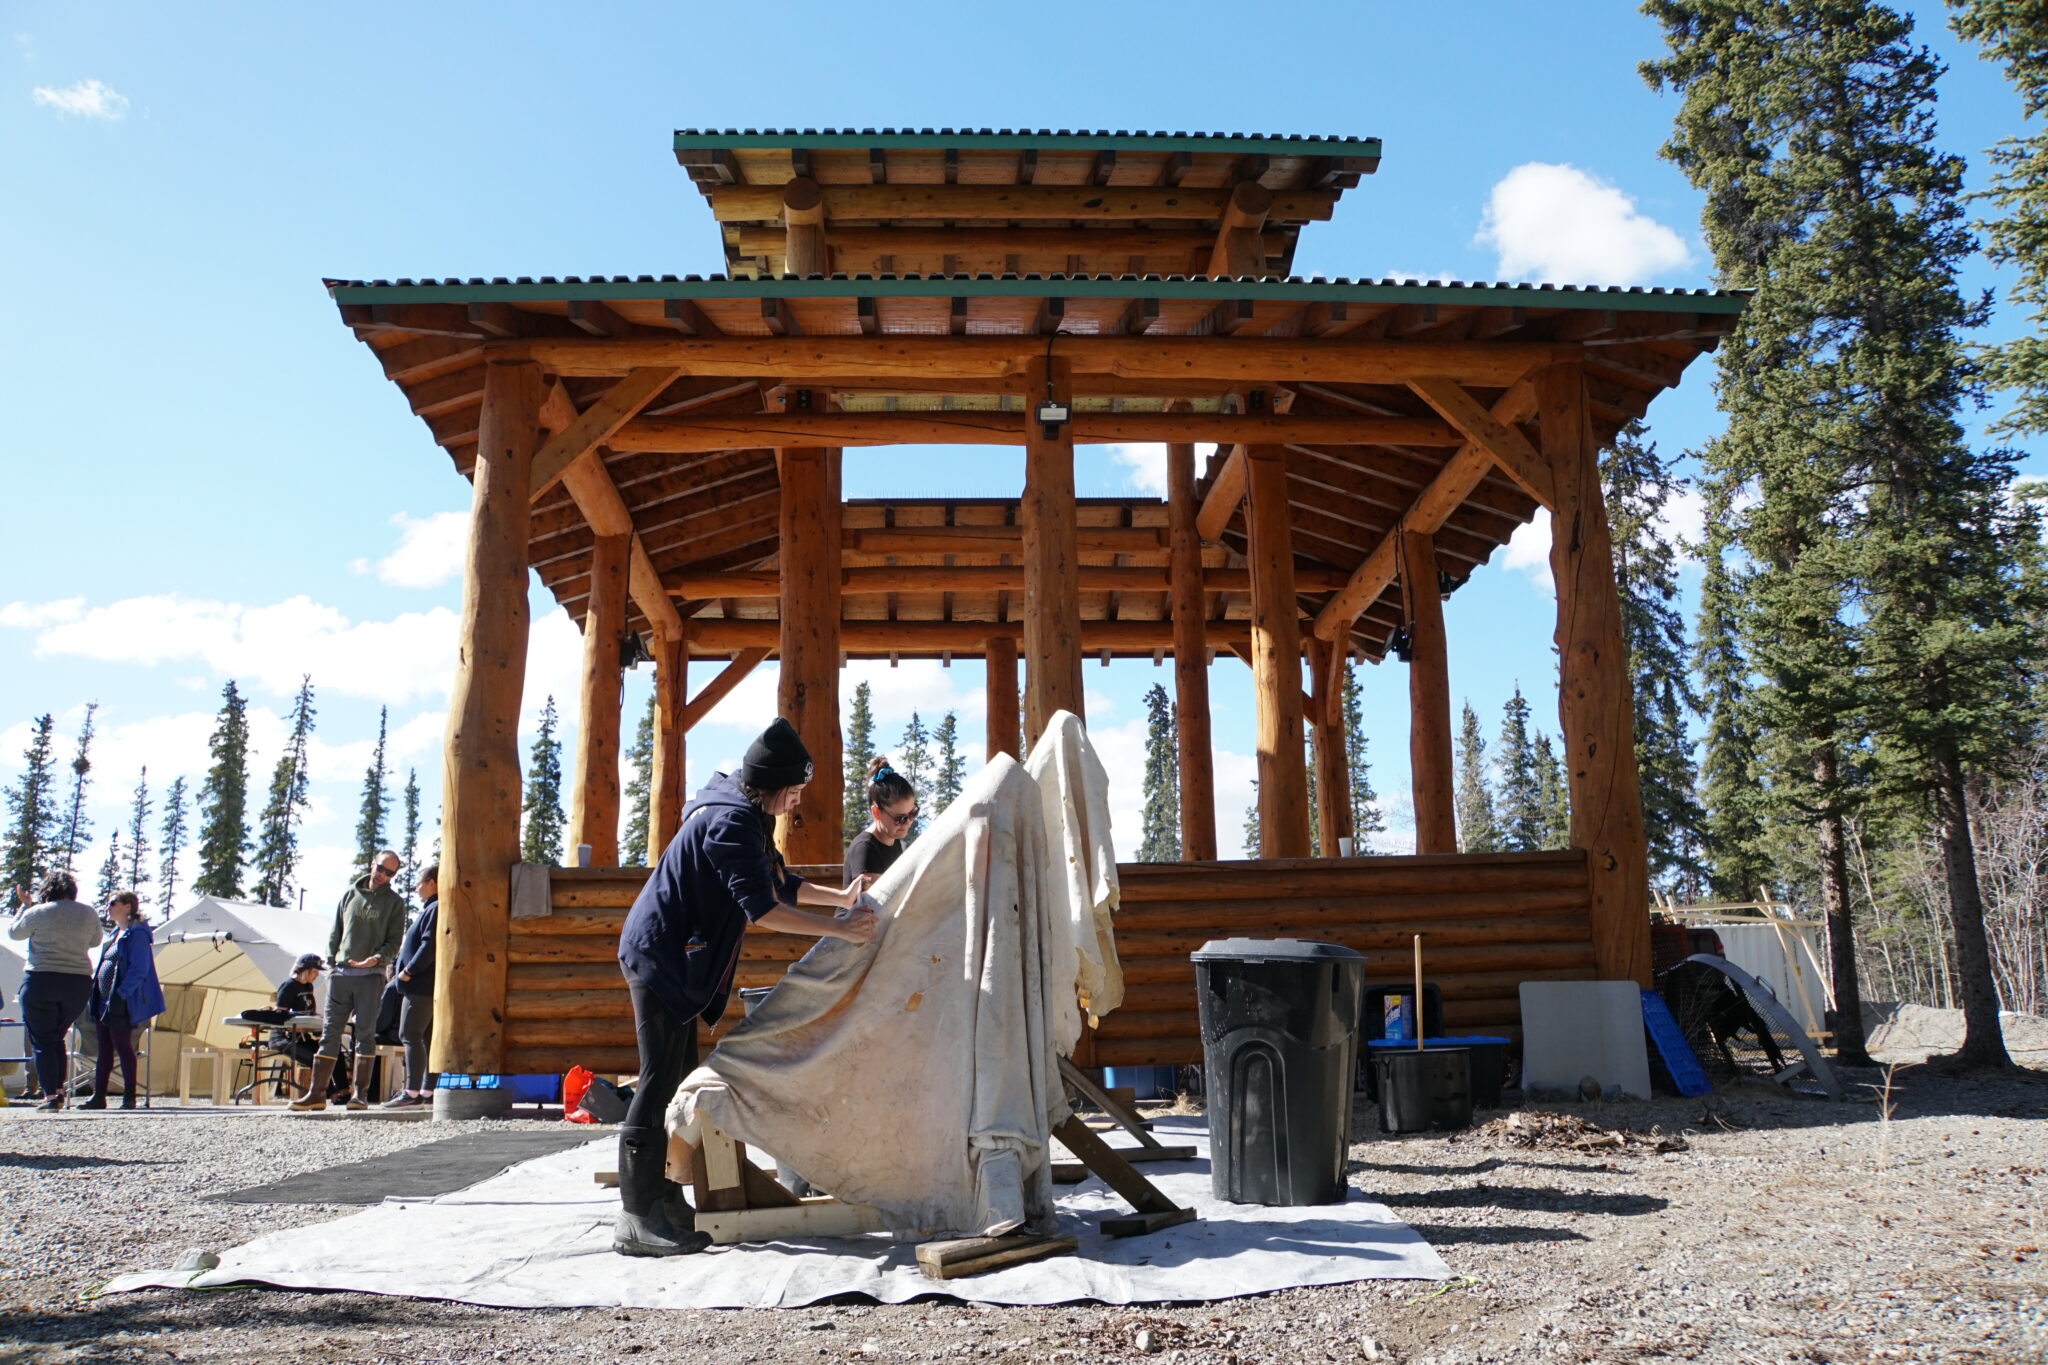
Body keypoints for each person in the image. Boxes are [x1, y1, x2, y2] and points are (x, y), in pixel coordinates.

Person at [613, 717, 878, 1257]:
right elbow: (763, 909)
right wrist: (839, 929)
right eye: (796, 790)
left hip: (675, 955)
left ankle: (660, 1196)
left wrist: (841, 898)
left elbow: (778, 880)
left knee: (677, 1076)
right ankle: (636, 1217)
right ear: (773, 782)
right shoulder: (732, 821)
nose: (798, 800)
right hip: (659, 954)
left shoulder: (746, 808)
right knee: (658, 1078)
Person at [291, 849, 406, 1112]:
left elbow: (394, 941)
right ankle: (316, 1094)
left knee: (365, 1034)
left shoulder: (394, 903)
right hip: (341, 975)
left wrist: (377, 959)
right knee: (330, 1033)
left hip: (371, 977)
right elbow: (336, 931)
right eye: (381, 869)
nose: (383, 876)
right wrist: (331, 962)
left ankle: (360, 1095)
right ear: (372, 864)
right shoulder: (350, 895)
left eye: (390, 873)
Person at [7, 871, 104, 1111]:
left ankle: (50, 1096)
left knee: (41, 1040)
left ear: (46, 891)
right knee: (56, 1038)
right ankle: (59, 1091)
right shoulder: (88, 912)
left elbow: (14, 933)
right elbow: (95, 941)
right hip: (78, 983)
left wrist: (24, 907)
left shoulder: (37, 912)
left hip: (41, 980)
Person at [81, 891, 165, 1109]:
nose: (108, 907)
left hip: (119, 1000)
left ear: (127, 907)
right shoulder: (113, 935)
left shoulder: (136, 935)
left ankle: (129, 1096)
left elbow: (139, 969)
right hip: (102, 999)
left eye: (113, 903)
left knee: (123, 1046)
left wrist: (121, 994)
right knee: (104, 1049)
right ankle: (99, 1096)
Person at [382, 861, 438, 1109]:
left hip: (419, 986)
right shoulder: (431, 909)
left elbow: (428, 946)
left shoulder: (434, 908)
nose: (416, 889)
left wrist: (407, 971)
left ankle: (412, 1091)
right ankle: (426, 1091)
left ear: (432, 883)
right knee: (425, 1038)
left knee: (410, 1035)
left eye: (419, 884)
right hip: (422, 985)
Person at [844, 756, 917, 888]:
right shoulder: (864, 848)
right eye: (900, 818)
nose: (908, 822)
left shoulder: (895, 842)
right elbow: (875, 902)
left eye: (913, 813)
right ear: (876, 812)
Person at [272, 953, 325, 1099]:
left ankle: (342, 1091)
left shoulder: (308, 987)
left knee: (331, 1054)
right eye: (314, 971)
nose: (317, 975)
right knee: (316, 1058)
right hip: (283, 1038)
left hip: (302, 1037)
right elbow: (280, 1016)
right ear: (304, 970)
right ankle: (319, 1093)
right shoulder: (288, 986)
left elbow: (310, 1012)